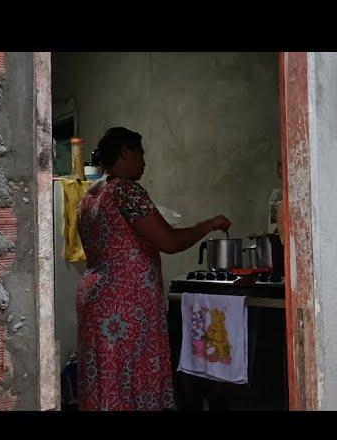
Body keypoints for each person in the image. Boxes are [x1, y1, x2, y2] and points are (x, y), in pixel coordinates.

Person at [76, 127, 231, 411]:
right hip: (126, 305)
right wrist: (209, 224)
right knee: (132, 380)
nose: (144, 161)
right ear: (125, 152)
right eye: (140, 153)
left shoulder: (89, 196)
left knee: (106, 382)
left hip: (95, 299)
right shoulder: (125, 190)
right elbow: (170, 241)